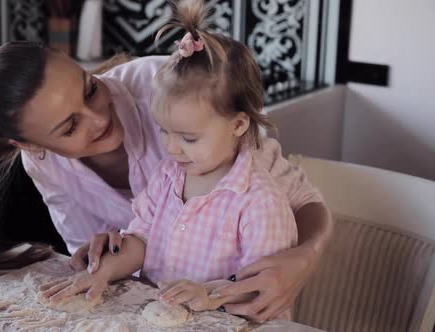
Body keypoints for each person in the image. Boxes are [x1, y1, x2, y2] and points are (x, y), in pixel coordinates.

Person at [0, 3, 332, 323]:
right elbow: (134, 243)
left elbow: (295, 212)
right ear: (28, 145)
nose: (100, 118)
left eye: (90, 88)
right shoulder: (160, 174)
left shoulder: (179, 98)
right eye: (69, 128)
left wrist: (305, 257)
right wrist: (102, 261)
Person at [39, 0, 299, 320]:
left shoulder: (260, 202)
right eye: (165, 132)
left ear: (239, 125)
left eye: (188, 138)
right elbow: (140, 240)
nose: (172, 149)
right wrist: (103, 271)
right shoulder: (167, 178)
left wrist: (209, 294)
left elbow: (263, 285)